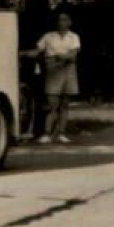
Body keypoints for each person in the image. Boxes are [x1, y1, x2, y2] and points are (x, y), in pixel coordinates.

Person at [31, 12, 81, 144]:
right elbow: (37, 50)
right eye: (59, 20)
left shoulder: (73, 37)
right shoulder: (48, 36)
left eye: (64, 20)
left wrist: (60, 56)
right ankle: (47, 133)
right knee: (52, 103)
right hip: (53, 70)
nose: (61, 22)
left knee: (65, 104)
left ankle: (61, 133)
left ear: (70, 22)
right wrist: (22, 54)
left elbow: (73, 54)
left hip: (68, 70)